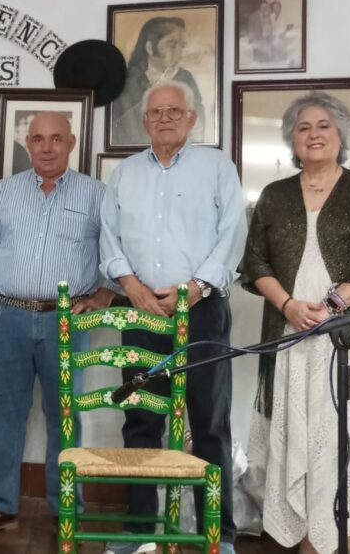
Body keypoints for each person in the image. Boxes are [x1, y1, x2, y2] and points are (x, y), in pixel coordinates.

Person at [239, 92, 350, 554]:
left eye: (323, 125)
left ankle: (341, 540)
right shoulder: (274, 195)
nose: (313, 134)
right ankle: (306, 537)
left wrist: (330, 307)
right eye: (303, 126)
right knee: (298, 439)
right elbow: (254, 263)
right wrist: (289, 306)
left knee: (342, 443)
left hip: (348, 339)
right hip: (290, 339)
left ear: (341, 134)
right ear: (292, 137)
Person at [100, 81, 245, 554]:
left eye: (173, 111)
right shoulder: (124, 175)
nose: (164, 118)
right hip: (139, 311)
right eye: (155, 112)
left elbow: (233, 233)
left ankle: (216, 534)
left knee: (209, 422)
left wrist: (196, 287)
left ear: (191, 117)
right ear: (145, 122)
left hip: (201, 312)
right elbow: (109, 238)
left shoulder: (217, 167)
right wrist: (132, 285)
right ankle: (140, 532)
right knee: (140, 420)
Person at [0, 111, 116, 538]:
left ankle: (67, 504)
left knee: (65, 414)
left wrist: (105, 293)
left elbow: (115, 249)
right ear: (27, 143)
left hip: (65, 321)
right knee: (3, 413)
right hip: (6, 315)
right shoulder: (3, 192)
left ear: (71, 142)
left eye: (55, 139)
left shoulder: (96, 194)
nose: (46, 147)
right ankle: (0, 504)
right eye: (38, 139)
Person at [112, 17, 206, 146]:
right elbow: (119, 129)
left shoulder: (185, 78)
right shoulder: (127, 82)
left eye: (181, 46)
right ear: (150, 48)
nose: (180, 53)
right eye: (172, 45)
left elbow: (198, 126)